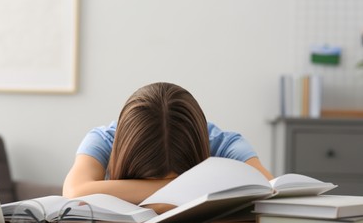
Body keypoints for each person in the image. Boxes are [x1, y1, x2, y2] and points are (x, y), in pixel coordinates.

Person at [63, 82, 273, 213]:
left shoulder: (224, 144)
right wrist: (185, 188)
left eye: (175, 177)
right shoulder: (105, 139)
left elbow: (272, 191)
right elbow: (73, 193)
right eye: (145, 182)